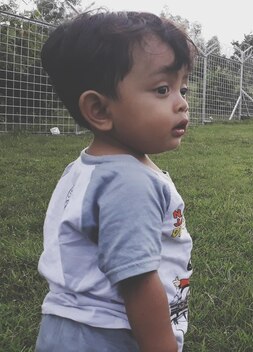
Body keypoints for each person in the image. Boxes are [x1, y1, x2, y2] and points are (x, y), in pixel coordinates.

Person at [35, 11, 195, 352]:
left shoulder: (87, 168)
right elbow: (137, 281)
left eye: (183, 87)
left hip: (68, 329)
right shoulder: (129, 182)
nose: (182, 103)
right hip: (108, 336)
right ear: (100, 110)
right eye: (163, 89)